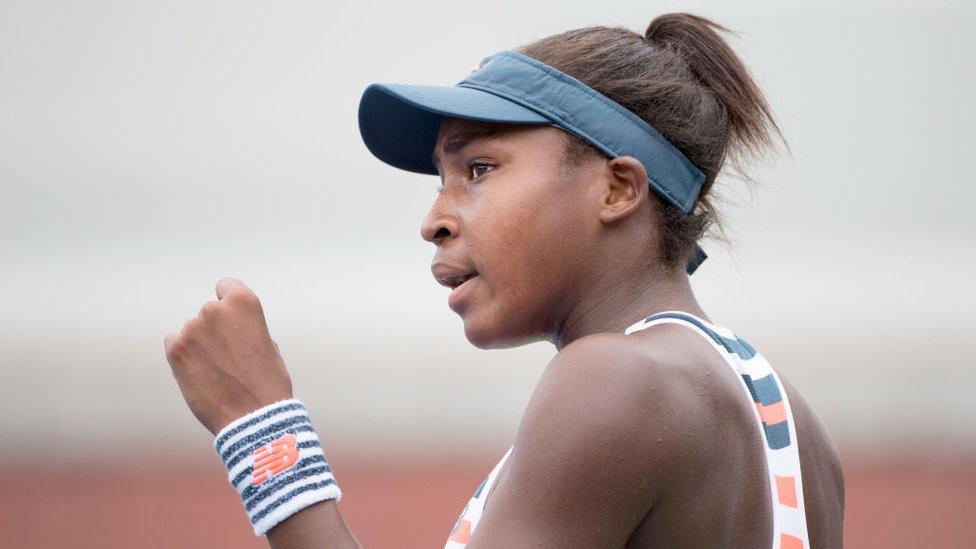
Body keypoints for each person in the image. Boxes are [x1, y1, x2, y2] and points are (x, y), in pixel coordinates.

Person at [163, 12, 844, 548]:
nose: (434, 220)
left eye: (479, 170)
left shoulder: (612, 379)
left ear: (616, 188)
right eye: (441, 180)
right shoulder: (797, 428)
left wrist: (260, 425)